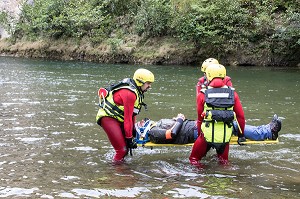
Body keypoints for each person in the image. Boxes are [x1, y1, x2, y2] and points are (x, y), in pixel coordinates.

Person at [190, 63, 246, 166]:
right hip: (225, 137)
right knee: (224, 163)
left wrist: (199, 136)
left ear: (208, 76)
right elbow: (241, 117)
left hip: (206, 136)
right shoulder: (233, 94)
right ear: (224, 75)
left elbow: (199, 119)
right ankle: (226, 178)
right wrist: (241, 135)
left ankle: (200, 179)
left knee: (194, 160)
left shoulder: (202, 94)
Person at [96, 68, 154, 164]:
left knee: (126, 148)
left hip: (119, 118)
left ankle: (121, 168)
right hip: (108, 118)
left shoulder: (138, 92)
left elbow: (132, 115)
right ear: (140, 82)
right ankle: (116, 171)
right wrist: (129, 138)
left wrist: (131, 134)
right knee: (122, 150)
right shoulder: (130, 94)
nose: (149, 86)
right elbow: (127, 119)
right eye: (148, 83)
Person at [134, 113, 281, 144]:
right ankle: (268, 132)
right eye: (139, 124)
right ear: (141, 131)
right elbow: (172, 134)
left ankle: (266, 130)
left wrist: (176, 120)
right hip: (195, 132)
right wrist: (179, 120)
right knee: (232, 125)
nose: (142, 121)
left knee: (231, 123)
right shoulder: (152, 133)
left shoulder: (153, 126)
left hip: (195, 127)